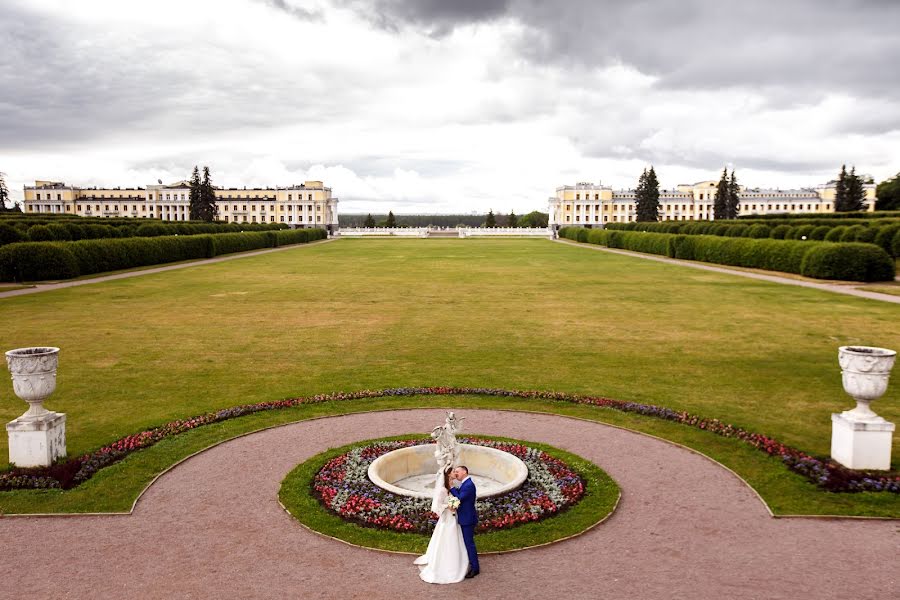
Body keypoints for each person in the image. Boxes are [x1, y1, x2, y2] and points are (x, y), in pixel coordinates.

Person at [413, 468, 469, 584]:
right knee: (447, 538)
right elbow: (437, 506)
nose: (455, 473)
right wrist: (448, 506)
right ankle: (443, 566)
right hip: (446, 518)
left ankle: (457, 562)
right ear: (448, 474)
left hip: (453, 517)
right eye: (453, 471)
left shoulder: (452, 487)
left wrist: (454, 506)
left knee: (455, 538)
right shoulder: (442, 490)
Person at [449, 465, 479, 578]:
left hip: (467, 519)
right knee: (468, 543)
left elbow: (460, 498)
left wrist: (451, 487)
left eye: (457, 471)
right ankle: (471, 564)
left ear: (464, 472)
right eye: (455, 472)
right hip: (465, 518)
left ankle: (475, 568)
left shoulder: (469, 485)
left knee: (469, 544)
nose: (456, 473)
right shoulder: (465, 484)